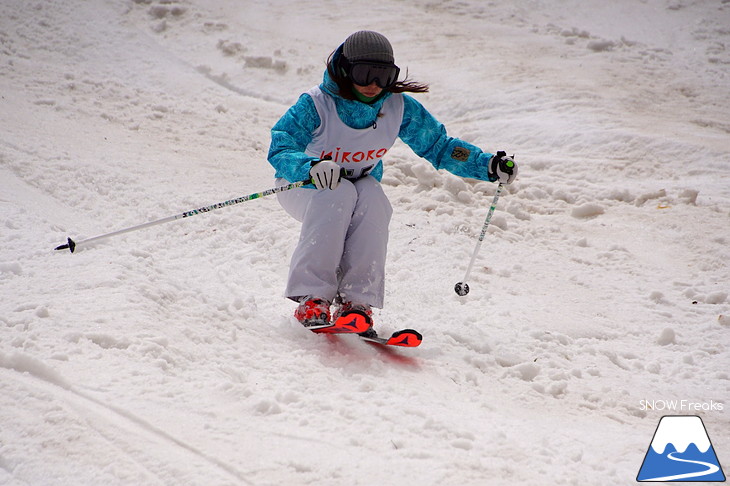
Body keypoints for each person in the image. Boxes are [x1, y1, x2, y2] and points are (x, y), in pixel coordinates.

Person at [268, 30, 517, 336]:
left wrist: (487, 164)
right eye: (365, 74)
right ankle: (312, 298)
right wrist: (309, 166)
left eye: (384, 76)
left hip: (359, 183)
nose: (374, 85)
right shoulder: (317, 105)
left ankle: (357, 303)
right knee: (338, 194)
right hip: (304, 185)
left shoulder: (397, 107)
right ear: (345, 70)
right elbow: (281, 144)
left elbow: (439, 144)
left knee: (374, 200)